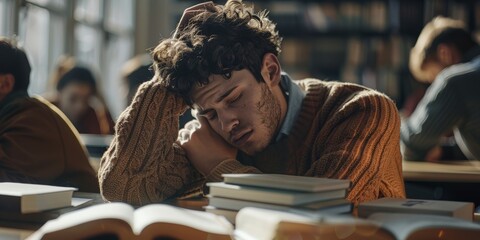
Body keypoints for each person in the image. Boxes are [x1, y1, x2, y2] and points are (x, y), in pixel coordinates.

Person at [99, 0, 405, 206]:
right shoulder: (207, 136)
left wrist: (221, 168)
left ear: (270, 70)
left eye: (233, 98)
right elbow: (122, 187)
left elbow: (323, 212)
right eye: (208, 113)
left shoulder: (361, 109)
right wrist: (165, 77)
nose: (226, 123)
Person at [0, 38, 99, 192]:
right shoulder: (17, 114)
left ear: (5, 84)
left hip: (83, 213)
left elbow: (8, 189)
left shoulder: (31, 119)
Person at [401, 16, 480, 161]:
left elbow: (411, 144)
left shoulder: (455, 81)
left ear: (445, 53)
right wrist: (444, 151)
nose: (433, 88)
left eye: (433, 78)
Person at [47, 65, 115, 135]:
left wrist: (103, 103)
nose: (80, 106)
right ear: (59, 92)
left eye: (86, 100)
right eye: (73, 99)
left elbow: (111, 138)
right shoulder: (44, 111)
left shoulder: (90, 115)